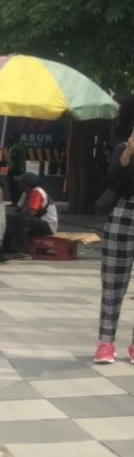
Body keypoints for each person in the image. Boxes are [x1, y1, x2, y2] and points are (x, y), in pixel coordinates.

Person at [95, 131, 134, 364]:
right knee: (112, 283)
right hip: (122, 216)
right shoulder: (122, 148)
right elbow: (113, 181)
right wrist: (129, 151)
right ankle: (106, 343)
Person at [4, 172, 58, 255]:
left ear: (26, 184)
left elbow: (31, 212)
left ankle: (22, 252)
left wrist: (16, 216)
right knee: (11, 218)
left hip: (47, 225)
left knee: (21, 220)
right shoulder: (26, 193)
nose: (18, 183)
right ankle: (8, 249)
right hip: (38, 222)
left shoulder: (36, 192)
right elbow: (18, 209)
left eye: (20, 182)